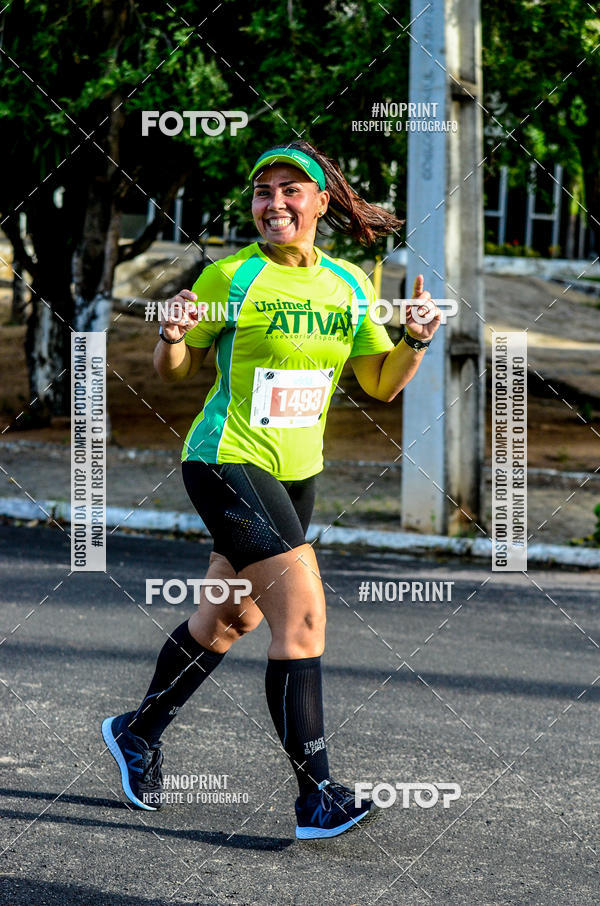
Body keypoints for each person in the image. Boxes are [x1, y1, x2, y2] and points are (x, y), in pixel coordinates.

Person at [102, 139, 441, 839]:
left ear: (321, 201)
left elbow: (377, 386)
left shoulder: (350, 285)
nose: (275, 203)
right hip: (226, 458)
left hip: (295, 472)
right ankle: (317, 795)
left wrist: (413, 340)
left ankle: (136, 732)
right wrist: (171, 333)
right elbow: (175, 368)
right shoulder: (233, 276)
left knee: (231, 618)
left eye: (291, 190)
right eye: (263, 192)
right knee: (304, 615)